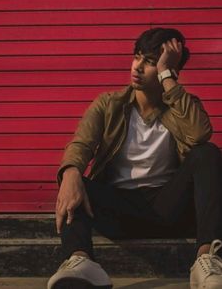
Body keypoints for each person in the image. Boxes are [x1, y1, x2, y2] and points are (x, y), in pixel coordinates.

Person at [48, 27, 222, 289]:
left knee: (207, 153)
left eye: (150, 62)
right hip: (118, 210)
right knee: (73, 178)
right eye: (137, 57)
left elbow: (200, 135)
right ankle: (81, 262)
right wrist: (71, 172)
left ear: (169, 69)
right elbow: (81, 144)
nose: (138, 67)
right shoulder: (109, 104)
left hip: (168, 207)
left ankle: (207, 259)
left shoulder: (181, 106)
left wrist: (167, 76)